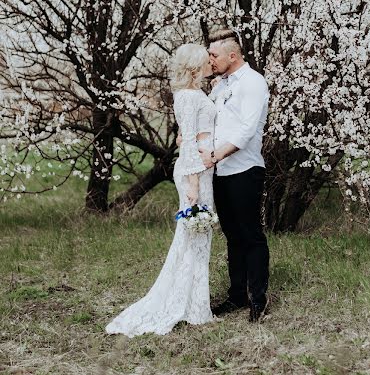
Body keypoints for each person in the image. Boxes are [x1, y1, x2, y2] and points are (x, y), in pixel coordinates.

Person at [105, 43, 216, 337]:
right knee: (194, 235)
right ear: (194, 68)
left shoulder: (194, 94)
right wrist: (193, 183)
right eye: (206, 62)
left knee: (198, 238)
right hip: (196, 173)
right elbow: (189, 141)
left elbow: (184, 135)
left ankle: (195, 304)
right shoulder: (189, 96)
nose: (210, 65)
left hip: (202, 169)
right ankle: (186, 305)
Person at [199, 29, 270, 323]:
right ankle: (237, 295)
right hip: (222, 171)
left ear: (233, 55)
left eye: (214, 55)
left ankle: (258, 299)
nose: (210, 60)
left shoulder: (253, 83)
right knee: (232, 236)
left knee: (251, 234)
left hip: (245, 169)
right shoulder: (220, 85)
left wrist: (216, 155)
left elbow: (246, 130)